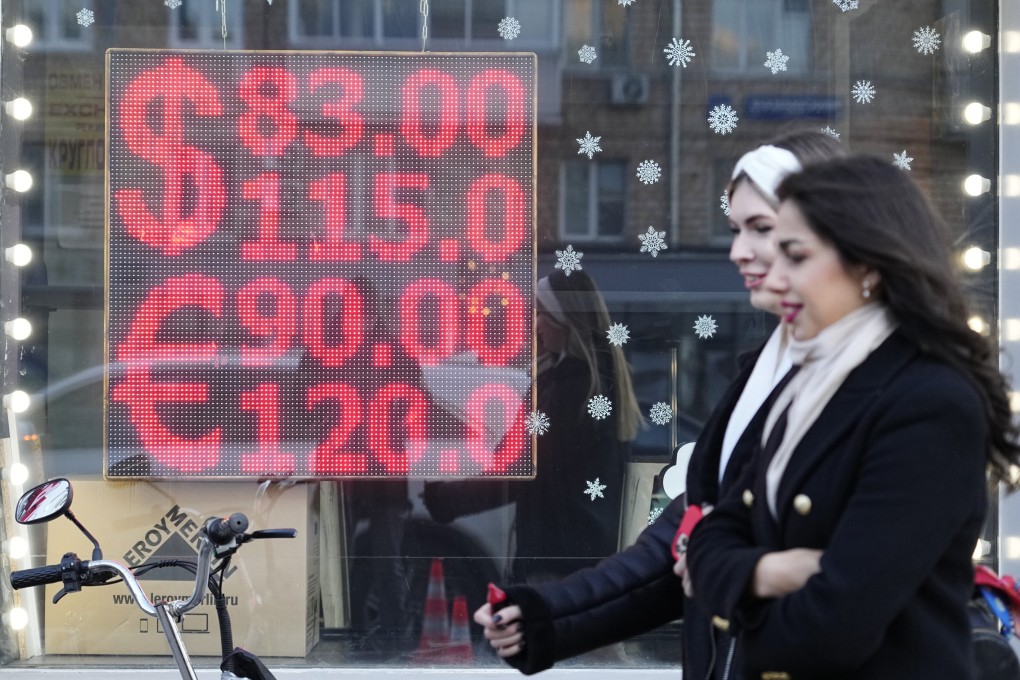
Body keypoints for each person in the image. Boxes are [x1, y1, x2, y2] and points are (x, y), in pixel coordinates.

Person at [471, 130, 845, 678]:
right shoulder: (761, 375)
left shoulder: (900, 383)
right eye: (736, 228)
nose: (738, 250)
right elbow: (674, 546)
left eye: (761, 229)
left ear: (832, 227)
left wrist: (723, 566)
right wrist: (545, 617)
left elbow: (871, 579)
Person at [686, 154, 1020, 680]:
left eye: (794, 257)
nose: (776, 280)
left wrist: (738, 597)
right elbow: (710, 537)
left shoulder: (929, 400)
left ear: (866, 266)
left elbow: (834, 624)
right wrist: (772, 571)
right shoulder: (811, 380)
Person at [423, 267, 643, 583]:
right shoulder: (593, 383)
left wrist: (444, 499)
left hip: (557, 559)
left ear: (562, 319)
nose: (534, 323)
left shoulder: (567, 392)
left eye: (540, 313)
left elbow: (520, 471)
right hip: (583, 552)